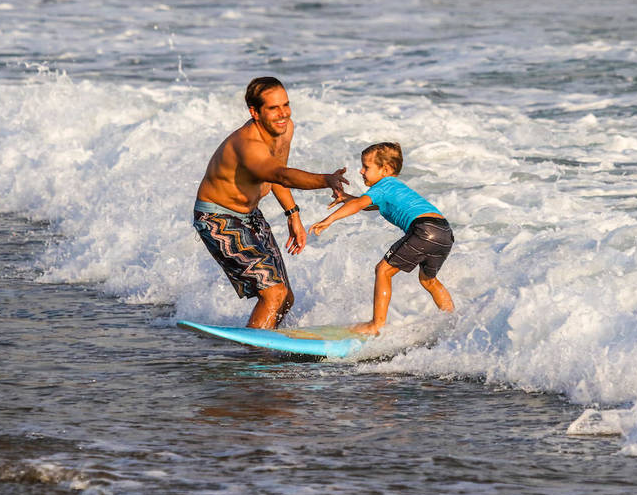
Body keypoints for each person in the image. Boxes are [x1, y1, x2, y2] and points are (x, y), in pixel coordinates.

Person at [193, 76, 348, 329]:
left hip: (250, 215)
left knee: (285, 297)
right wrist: (325, 180)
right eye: (273, 108)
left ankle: (264, 343)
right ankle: (256, 358)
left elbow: (277, 172)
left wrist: (293, 214)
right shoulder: (247, 143)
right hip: (217, 218)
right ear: (255, 112)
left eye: (285, 105)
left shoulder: (285, 128)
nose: (283, 113)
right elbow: (279, 175)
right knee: (273, 293)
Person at [308, 142, 454, 335]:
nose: (361, 171)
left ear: (385, 169)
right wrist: (345, 197)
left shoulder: (383, 185)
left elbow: (361, 204)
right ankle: (452, 321)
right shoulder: (395, 188)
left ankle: (376, 325)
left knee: (383, 270)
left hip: (423, 229)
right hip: (444, 232)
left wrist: (329, 220)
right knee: (428, 280)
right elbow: (369, 205)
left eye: (366, 167)